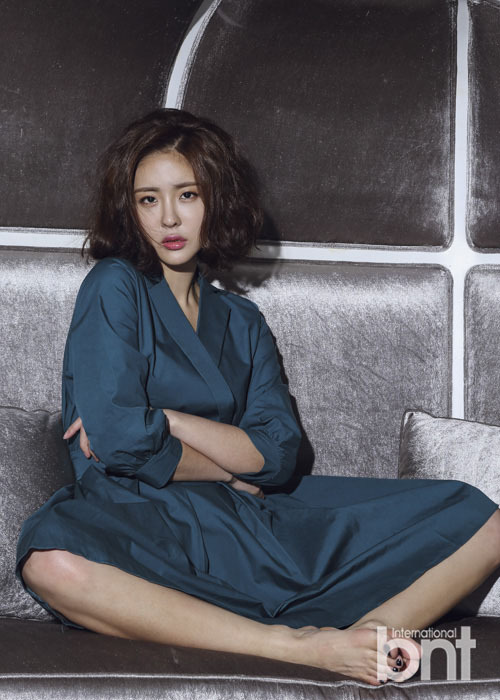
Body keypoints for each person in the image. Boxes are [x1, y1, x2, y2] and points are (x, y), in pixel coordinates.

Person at [16, 108, 500, 687]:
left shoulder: (243, 321)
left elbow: (276, 456)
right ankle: (299, 647)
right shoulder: (114, 284)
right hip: (141, 517)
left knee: (484, 518)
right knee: (50, 562)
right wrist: (227, 469)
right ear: (130, 208)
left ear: (215, 200)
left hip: (249, 522)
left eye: (187, 195)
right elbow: (120, 441)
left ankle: (373, 635)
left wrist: (166, 419)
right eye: (148, 199)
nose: (168, 217)